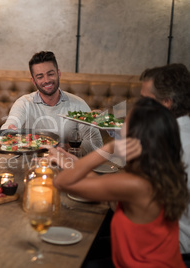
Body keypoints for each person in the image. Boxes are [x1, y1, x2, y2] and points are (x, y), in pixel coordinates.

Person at [47, 97, 189, 267]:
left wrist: (109, 148)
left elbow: (62, 182)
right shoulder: (157, 173)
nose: (120, 127)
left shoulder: (136, 184)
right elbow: (104, 185)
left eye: (125, 123)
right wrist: (73, 163)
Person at [1, 51, 103, 154]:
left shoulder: (78, 104)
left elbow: (96, 143)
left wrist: (63, 148)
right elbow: (9, 126)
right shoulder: (24, 103)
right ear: (33, 81)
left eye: (50, 74)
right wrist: (9, 130)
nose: (46, 80)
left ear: (59, 74)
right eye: (40, 77)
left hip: (68, 164)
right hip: (30, 163)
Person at [140, 63, 190, 254]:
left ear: (167, 102)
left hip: (171, 249)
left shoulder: (169, 142)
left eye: (145, 100)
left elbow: (133, 202)